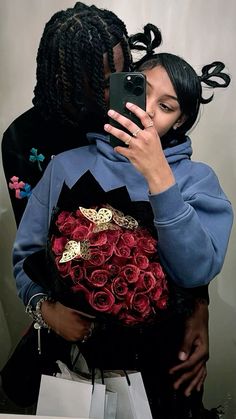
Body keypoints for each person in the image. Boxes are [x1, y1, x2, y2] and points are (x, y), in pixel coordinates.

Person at [11, 14, 233, 417]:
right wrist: (46, 309)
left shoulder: (197, 179)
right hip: (71, 367)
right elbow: (27, 256)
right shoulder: (62, 162)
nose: (146, 110)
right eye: (139, 90)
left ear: (180, 120)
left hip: (161, 369)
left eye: (166, 106)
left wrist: (159, 175)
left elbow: (195, 270)